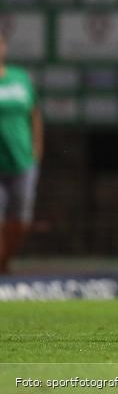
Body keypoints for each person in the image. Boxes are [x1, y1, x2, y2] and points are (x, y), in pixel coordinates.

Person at [0, 32, 43, 274]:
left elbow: (35, 113)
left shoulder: (19, 78)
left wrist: (37, 146)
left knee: (19, 223)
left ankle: (3, 264)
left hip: (22, 161)